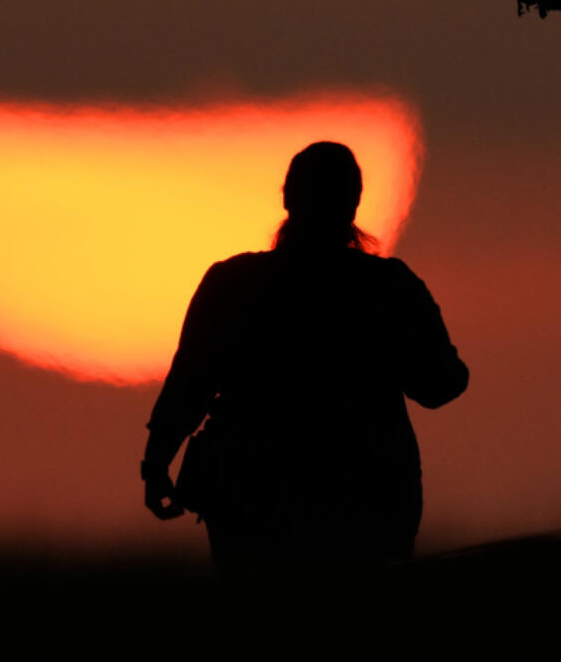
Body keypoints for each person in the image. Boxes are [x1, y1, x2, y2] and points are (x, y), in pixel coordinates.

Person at [141, 141, 468, 571]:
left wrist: (157, 464)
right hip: (368, 501)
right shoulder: (389, 288)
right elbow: (441, 384)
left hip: (253, 501)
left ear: (287, 198)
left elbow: (189, 387)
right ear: (353, 204)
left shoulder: (231, 284)